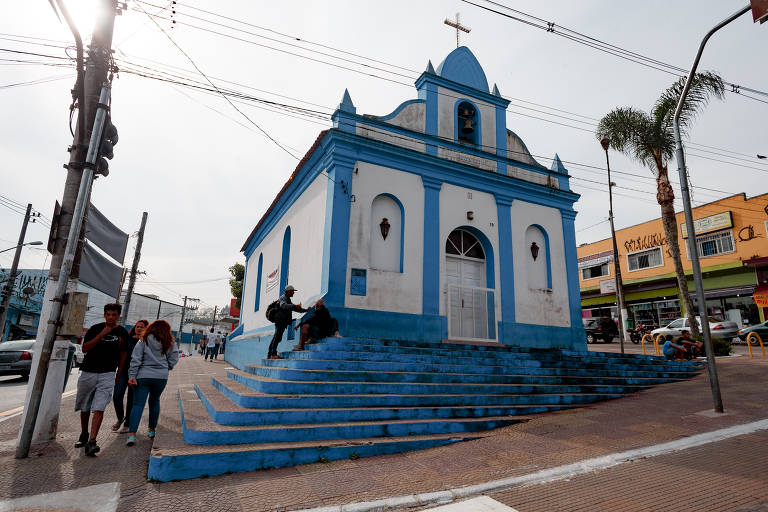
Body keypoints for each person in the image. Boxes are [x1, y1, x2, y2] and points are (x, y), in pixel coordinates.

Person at [74, 303, 130, 456]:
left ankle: (92, 441)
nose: (111, 317)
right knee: (85, 407)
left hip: (108, 373)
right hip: (88, 372)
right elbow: (85, 348)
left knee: (99, 407)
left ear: (118, 316)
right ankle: (84, 434)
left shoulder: (122, 332)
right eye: (108, 314)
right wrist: (102, 334)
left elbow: (123, 354)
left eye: (114, 315)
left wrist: (118, 374)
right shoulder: (95, 328)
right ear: (105, 315)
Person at [125, 319, 179, 447]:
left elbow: (136, 359)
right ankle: (151, 430)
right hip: (161, 377)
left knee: (138, 404)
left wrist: (132, 375)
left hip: (143, 376)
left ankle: (132, 435)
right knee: (155, 401)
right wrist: (166, 367)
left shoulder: (143, 340)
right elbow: (174, 358)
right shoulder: (169, 342)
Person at [111, 319, 148, 434]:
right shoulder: (127, 339)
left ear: (146, 329)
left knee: (131, 400)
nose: (139, 328)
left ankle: (127, 425)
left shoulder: (146, 341)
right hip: (123, 372)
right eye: (137, 326)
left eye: (142, 327)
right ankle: (120, 417)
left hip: (137, 374)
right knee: (117, 396)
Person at [267, 285, 307, 360]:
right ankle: (273, 354)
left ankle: (270, 355)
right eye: (292, 291)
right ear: (288, 291)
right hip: (280, 320)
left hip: (282, 321)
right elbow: (283, 306)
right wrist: (294, 306)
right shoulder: (283, 298)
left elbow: (294, 308)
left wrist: (305, 310)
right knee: (277, 337)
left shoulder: (287, 299)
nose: (293, 293)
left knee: (277, 337)